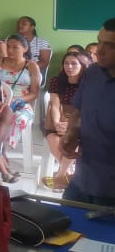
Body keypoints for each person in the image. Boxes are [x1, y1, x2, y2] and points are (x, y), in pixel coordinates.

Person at [61, 18, 115, 206]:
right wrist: (72, 132)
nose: (99, 50)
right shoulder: (92, 73)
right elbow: (79, 110)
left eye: (110, 46)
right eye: (99, 41)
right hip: (82, 179)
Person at [42, 52, 90, 190]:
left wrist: (70, 126)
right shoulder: (56, 81)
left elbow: (84, 108)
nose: (69, 67)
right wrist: (57, 123)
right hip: (59, 117)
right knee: (53, 138)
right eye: (66, 63)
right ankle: (68, 175)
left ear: (82, 66)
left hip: (78, 121)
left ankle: (61, 175)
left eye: (74, 64)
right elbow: (55, 105)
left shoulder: (87, 83)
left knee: (71, 141)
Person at [0, 34, 41, 152]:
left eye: (15, 47)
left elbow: (34, 93)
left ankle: (3, 146)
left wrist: (17, 99)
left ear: (25, 49)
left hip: (21, 103)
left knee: (21, 118)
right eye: (8, 46)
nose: (10, 50)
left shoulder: (32, 66)